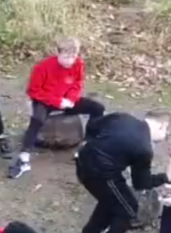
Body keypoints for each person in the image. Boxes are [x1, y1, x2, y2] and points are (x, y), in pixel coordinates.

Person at [74, 108, 171, 233]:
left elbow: (94, 125)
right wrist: (167, 177)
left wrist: (89, 143)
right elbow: (140, 183)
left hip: (83, 161)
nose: (164, 138)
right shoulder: (144, 148)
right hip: (101, 175)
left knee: (113, 200)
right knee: (128, 208)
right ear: (161, 126)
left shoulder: (122, 118)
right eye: (166, 133)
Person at [7, 37, 107, 179]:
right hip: (45, 100)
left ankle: (87, 146)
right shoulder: (42, 67)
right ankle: (24, 158)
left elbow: (77, 83)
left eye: (72, 57)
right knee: (37, 119)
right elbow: (33, 91)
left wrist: (71, 99)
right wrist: (56, 101)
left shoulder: (78, 64)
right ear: (58, 53)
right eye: (66, 57)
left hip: (67, 100)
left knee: (97, 108)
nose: (69, 61)